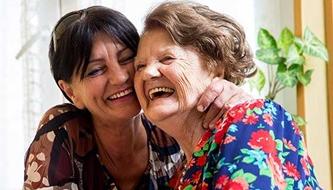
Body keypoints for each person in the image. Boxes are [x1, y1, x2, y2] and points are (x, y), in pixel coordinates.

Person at [23, 6, 251, 190]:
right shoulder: (63, 133)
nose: (121, 77)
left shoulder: (170, 129)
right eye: (96, 70)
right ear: (71, 92)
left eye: (127, 59)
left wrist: (234, 100)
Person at [134, 1, 321, 189]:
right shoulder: (179, 177)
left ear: (216, 68)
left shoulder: (252, 119)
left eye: (167, 58)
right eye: (139, 66)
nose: (148, 73)